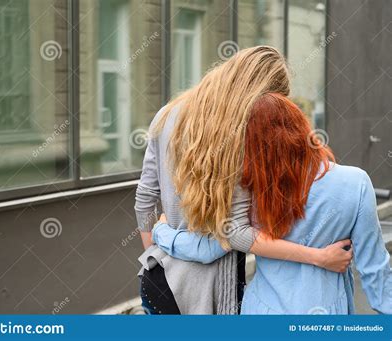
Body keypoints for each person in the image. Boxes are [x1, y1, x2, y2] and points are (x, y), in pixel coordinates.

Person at [134, 46, 353, 315]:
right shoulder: (237, 136)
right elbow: (234, 235)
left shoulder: (167, 114)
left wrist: (158, 253)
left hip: (158, 278)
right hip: (209, 293)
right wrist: (318, 257)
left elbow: (144, 199)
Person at [152, 93, 392, 314]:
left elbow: (208, 248)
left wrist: (162, 231)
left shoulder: (251, 191)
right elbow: (375, 270)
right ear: (303, 128)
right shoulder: (355, 183)